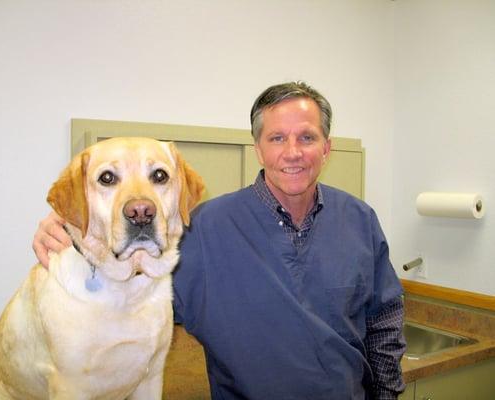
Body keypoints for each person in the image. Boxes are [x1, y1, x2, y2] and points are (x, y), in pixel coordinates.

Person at [33, 82, 406, 400]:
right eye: (277, 138)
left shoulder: (360, 220)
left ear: (327, 148)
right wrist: (76, 228)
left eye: (307, 137)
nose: (293, 152)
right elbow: (124, 286)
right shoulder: (202, 229)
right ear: (259, 148)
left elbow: (384, 320)